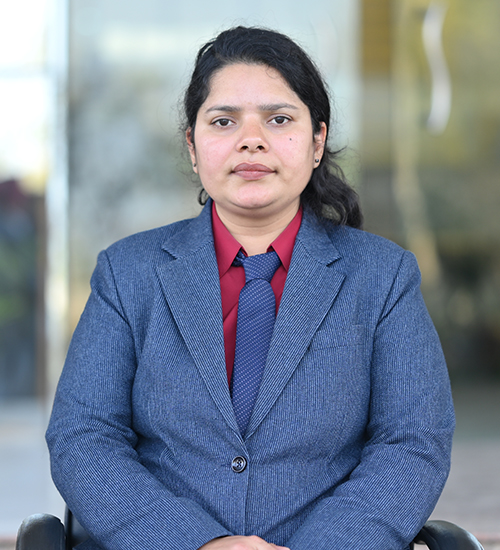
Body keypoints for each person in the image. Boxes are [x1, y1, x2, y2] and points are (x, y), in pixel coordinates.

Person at [46, 26, 455, 550]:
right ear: (193, 147)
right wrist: (198, 543)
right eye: (224, 121)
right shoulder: (128, 274)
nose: (251, 139)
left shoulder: (384, 277)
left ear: (317, 142)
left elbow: (413, 443)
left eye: (279, 119)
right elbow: (83, 437)